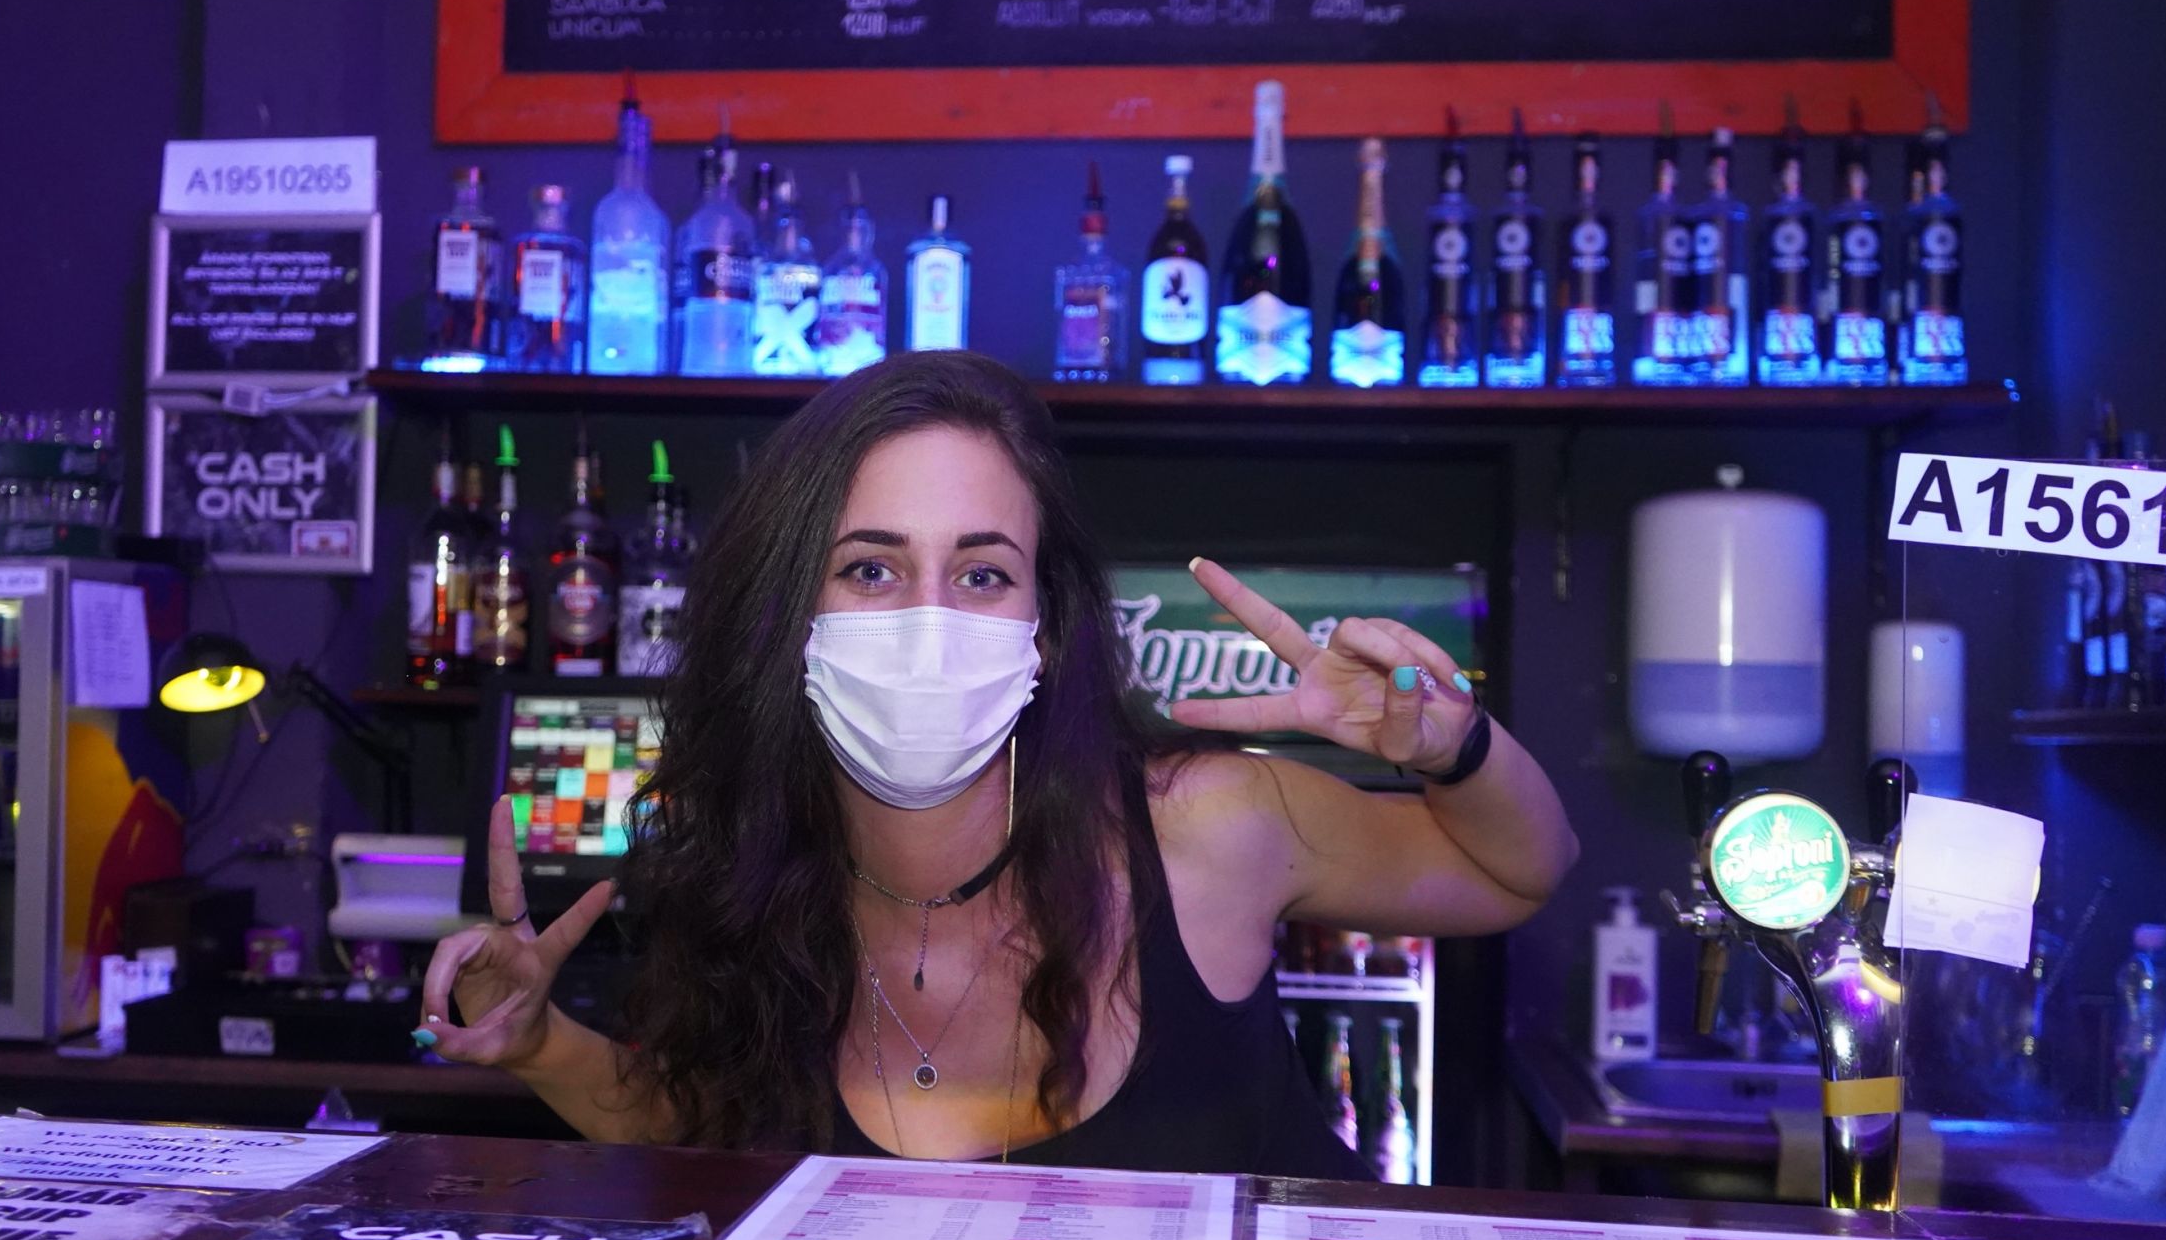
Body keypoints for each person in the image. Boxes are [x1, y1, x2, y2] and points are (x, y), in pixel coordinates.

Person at [418, 351, 1576, 1178]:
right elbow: (702, 1130)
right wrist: (541, 1043)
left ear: (1044, 623)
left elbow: (1520, 871)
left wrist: (1455, 745)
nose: (928, 621)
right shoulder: (744, 870)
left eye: (980, 575)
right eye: (870, 570)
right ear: (784, 611)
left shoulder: (1203, 823)